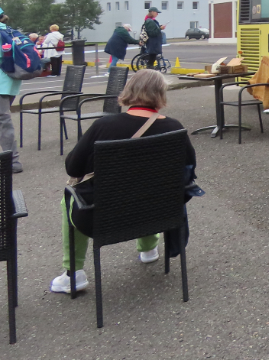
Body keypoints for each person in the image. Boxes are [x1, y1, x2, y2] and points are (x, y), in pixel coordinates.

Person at [50, 69, 197, 293]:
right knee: (148, 186)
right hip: (160, 212)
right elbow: (188, 168)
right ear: (161, 94)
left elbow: (73, 167)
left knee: (70, 199)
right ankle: (149, 249)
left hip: (105, 215)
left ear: (129, 91)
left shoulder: (104, 126)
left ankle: (73, 274)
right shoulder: (175, 128)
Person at [0, 8, 23, 173]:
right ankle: (12, 161)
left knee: (3, 122)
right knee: (3, 121)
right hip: (11, 82)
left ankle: (12, 162)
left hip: (1, 83)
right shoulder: (9, 32)